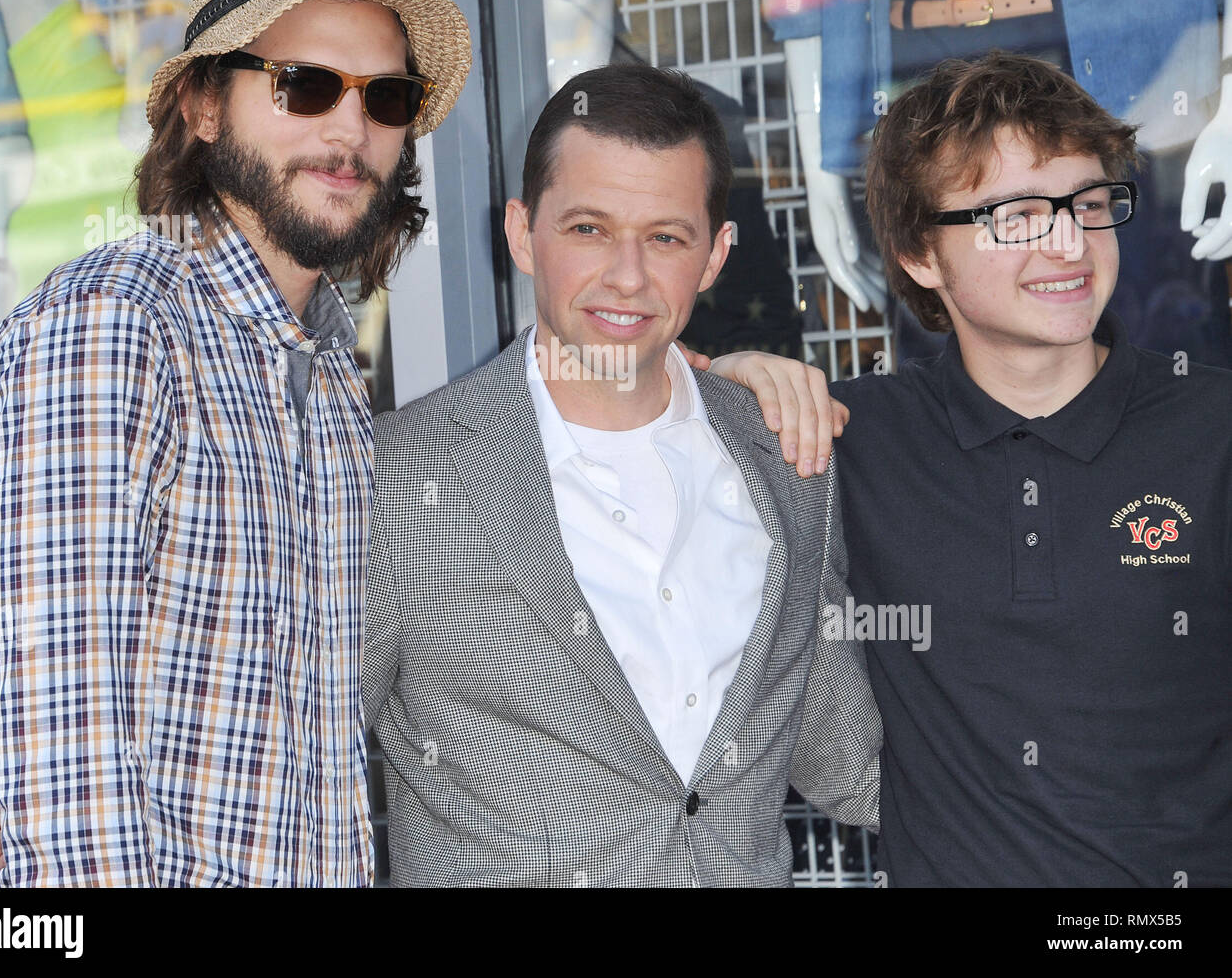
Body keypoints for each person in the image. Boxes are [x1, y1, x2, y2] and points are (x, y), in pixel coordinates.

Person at [0, 0, 471, 886]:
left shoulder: (322, 372)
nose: (351, 128)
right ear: (200, 105)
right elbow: (68, 777)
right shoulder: (111, 327)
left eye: (387, 96)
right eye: (306, 85)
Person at [714, 50, 1232, 886]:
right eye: (1019, 216)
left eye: (1090, 204)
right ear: (923, 255)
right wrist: (730, 380)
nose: (1070, 244)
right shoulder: (849, 438)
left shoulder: (1214, 430)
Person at [357, 63, 880, 886]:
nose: (628, 276)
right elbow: (296, 773)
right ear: (522, 234)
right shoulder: (397, 480)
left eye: (666, 237)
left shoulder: (788, 455)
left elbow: (847, 758)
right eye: (589, 229)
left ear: (715, 256)